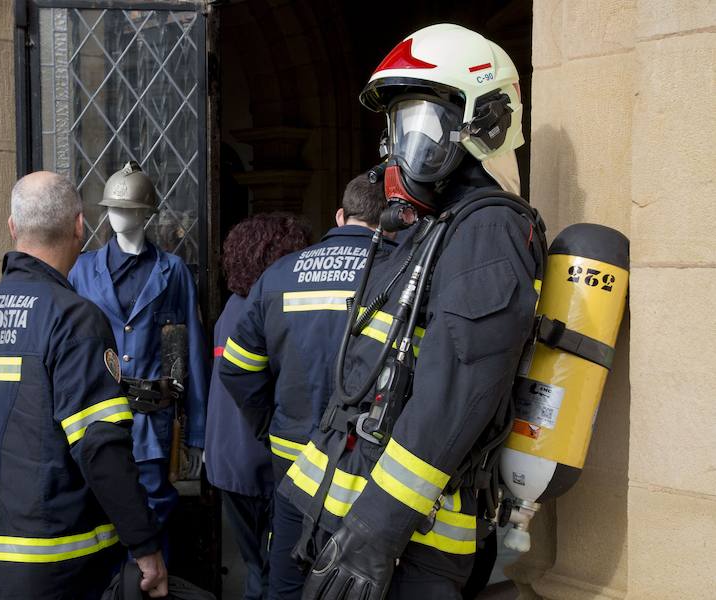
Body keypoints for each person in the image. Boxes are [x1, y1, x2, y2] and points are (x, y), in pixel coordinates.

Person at [276, 24, 548, 599]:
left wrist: (376, 531)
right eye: (402, 125)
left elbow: (456, 394)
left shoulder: (491, 229)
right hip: (343, 512)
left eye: (426, 123)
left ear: (487, 122)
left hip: (405, 544)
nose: (407, 146)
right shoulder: (437, 227)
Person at [0, 171, 167, 600]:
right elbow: (100, 446)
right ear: (80, 227)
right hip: (68, 564)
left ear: (12, 228)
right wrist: (145, 545)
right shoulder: (75, 320)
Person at [218, 175, 396, 600]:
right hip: (369, 465)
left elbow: (237, 369)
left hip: (292, 459)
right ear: (392, 222)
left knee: (288, 579)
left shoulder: (280, 274)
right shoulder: (402, 274)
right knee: (361, 582)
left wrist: (272, 425)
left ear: (340, 216)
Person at [70, 161, 208, 530]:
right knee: (100, 518)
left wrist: (196, 434)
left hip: (152, 423)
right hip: (96, 421)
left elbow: (189, 351)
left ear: (146, 214)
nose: (117, 217)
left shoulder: (172, 270)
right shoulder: (82, 271)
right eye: (113, 209)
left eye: (128, 209)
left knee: (153, 515)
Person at [206, 213, 312, 600]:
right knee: (274, 574)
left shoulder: (232, 308)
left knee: (257, 567)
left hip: (227, 460)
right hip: (261, 462)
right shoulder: (269, 309)